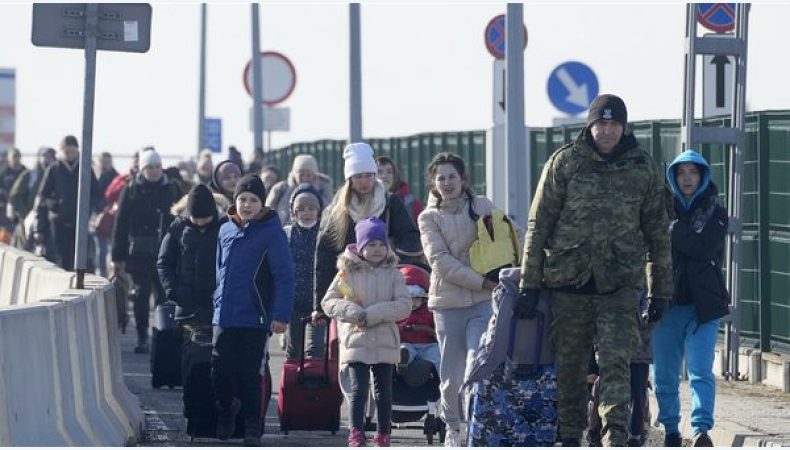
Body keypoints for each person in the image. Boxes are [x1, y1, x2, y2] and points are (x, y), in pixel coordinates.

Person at [516, 94, 673, 446]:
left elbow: (658, 233)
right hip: (569, 285)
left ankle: (614, 437)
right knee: (571, 372)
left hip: (619, 286)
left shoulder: (643, 168)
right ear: (589, 126)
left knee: (616, 364)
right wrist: (530, 283)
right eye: (600, 123)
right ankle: (570, 437)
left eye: (614, 124)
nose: (607, 131)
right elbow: (539, 223)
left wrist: (661, 290)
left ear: (624, 127)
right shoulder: (565, 163)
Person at [417, 151, 498, 447]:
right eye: (441, 178)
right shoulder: (428, 217)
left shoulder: (482, 206)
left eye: (453, 176)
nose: (447, 182)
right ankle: (453, 428)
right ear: (433, 183)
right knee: (450, 377)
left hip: (482, 301)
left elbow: (509, 237)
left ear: (463, 179)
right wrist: (481, 280)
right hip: (448, 304)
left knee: (477, 364)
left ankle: (477, 426)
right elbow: (440, 261)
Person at [653, 150, 729, 447]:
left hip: (703, 306)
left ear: (703, 177)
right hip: (666, 304)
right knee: (665, 374)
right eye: (681, 172)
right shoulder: (658, 210)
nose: (687, 178)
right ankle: (671, 428)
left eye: (693, 172)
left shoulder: (715, 211)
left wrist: (673, 230)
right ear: (673, 177)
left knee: (700, 370)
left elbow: (703, 247)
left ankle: (701, 430)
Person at [212, 174, 294, 446]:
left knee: (250, 374)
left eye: (253, 200)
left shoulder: (272, 233)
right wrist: (216, 302)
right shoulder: (225, 230)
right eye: (242, 199)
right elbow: (219, 271)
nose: (247, 205)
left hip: (255, 317)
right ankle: (226, 410)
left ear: (262, 203)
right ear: (235, 201)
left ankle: (250, 425)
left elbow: (284, 277)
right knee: (220, 370)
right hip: (224, 315)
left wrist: (280, 315)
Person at [321, 217, 411, 447]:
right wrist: (353, 312)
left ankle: (383, 434)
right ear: (360, 247)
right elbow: (329, 302)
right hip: (356, 339)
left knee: (384, 392)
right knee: (358, 390)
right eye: (371, 244)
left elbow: (404, 305)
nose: (377, 249)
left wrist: (373, 313)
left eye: (381, 244)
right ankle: (356, 432)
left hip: (384, 340)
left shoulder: (394, 274)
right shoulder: (346, 274)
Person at [312, 143, 422, 326]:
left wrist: (392, 259)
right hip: (350, 291)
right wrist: (320, 306)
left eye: (369, 176)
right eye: (358, 176)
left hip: (384, 287)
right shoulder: (338, 211)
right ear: (350, 179)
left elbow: (410, 237)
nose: (364, 182)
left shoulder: (389, 203)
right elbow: (324, 255)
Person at [111, 148, 181, 354]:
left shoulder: (173, 188)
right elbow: (120, 224)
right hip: (138, 254)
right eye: (150, 167)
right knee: (140, 296)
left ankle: (161, 335)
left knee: (164, 296)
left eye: (158, 166)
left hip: (166, 252)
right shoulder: (131, 189)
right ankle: (142, 335)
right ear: (142, 169)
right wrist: (117, 256)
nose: (154, 171)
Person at [156, 184, 220, 330]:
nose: (200, 222)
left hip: (216, 305)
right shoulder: (178, 227)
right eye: (195, 218)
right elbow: (164, 262)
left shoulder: (223, 227)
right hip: (186, 306)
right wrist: (173, 291)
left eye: (205, 218)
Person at [33, 135, 101, 270]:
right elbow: (41, 199)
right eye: (66, 152)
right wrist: (39, 228)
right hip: (58, 223)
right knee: (60, 259)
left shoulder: (85, 169)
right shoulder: (54, 170)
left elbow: (95, 195)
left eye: (72, 151)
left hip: (80, 224)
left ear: (77, 150)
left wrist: (88, 211)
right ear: (61, 152)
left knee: (81, 259)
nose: (69, 155)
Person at [282, 182, 325, 360]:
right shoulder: (287, 234)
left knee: (315, 349)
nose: (306, 213)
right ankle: (293, 383)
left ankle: (314, 385)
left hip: (318, 301)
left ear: (319, 210)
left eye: (311, 208)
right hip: (294, 300)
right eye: (301, 209)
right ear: (294, 212)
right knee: (294, 348)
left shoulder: (325, 234)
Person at [8, 146, 56, 250]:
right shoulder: (30, 176)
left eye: (50, 156)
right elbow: (15, 196)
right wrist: (25, 214)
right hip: (27, 223)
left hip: (51, 224)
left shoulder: (57, 177)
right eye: (44, 155)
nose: (47, 159)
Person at [266, 154, 333, 226]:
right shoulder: (281, 189)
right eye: (301, 175)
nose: (304, 178)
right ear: (294, 174)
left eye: (308, 175)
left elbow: (329, 212)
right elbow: (268, 212)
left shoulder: (323, 190)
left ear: (314, 175)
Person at [395, 264, 440, 372]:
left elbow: (436, 329)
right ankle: (402, 362)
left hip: (427, 344)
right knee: (403, 348)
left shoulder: (430, 311)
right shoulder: (398, 312)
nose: (413, 304)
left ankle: (442, 378)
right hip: (407, 343)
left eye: (416, 299)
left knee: (436, 354)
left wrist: (433, 332)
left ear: (424, 299)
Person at [93, 152, 119, 277]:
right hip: (98, 219)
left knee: (108, 249)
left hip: (110, 219)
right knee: (100, 250)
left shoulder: (116, 178)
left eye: (106, 162)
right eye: (102, 162)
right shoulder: (95, 176)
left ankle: (107, 273)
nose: (104, 164)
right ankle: (101, 273)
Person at [376, 156, 423, 225]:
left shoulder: (413, 204)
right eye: (379, 172)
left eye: (389, 172)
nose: (384, 176)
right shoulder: (364, 202)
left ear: (395, 176)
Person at [0, 147, 27, 241]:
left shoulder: (25, 172)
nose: (16, 159)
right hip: (5, 207)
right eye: (13, 157)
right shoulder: (4, 173)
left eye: (17, 157)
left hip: (20, 207)